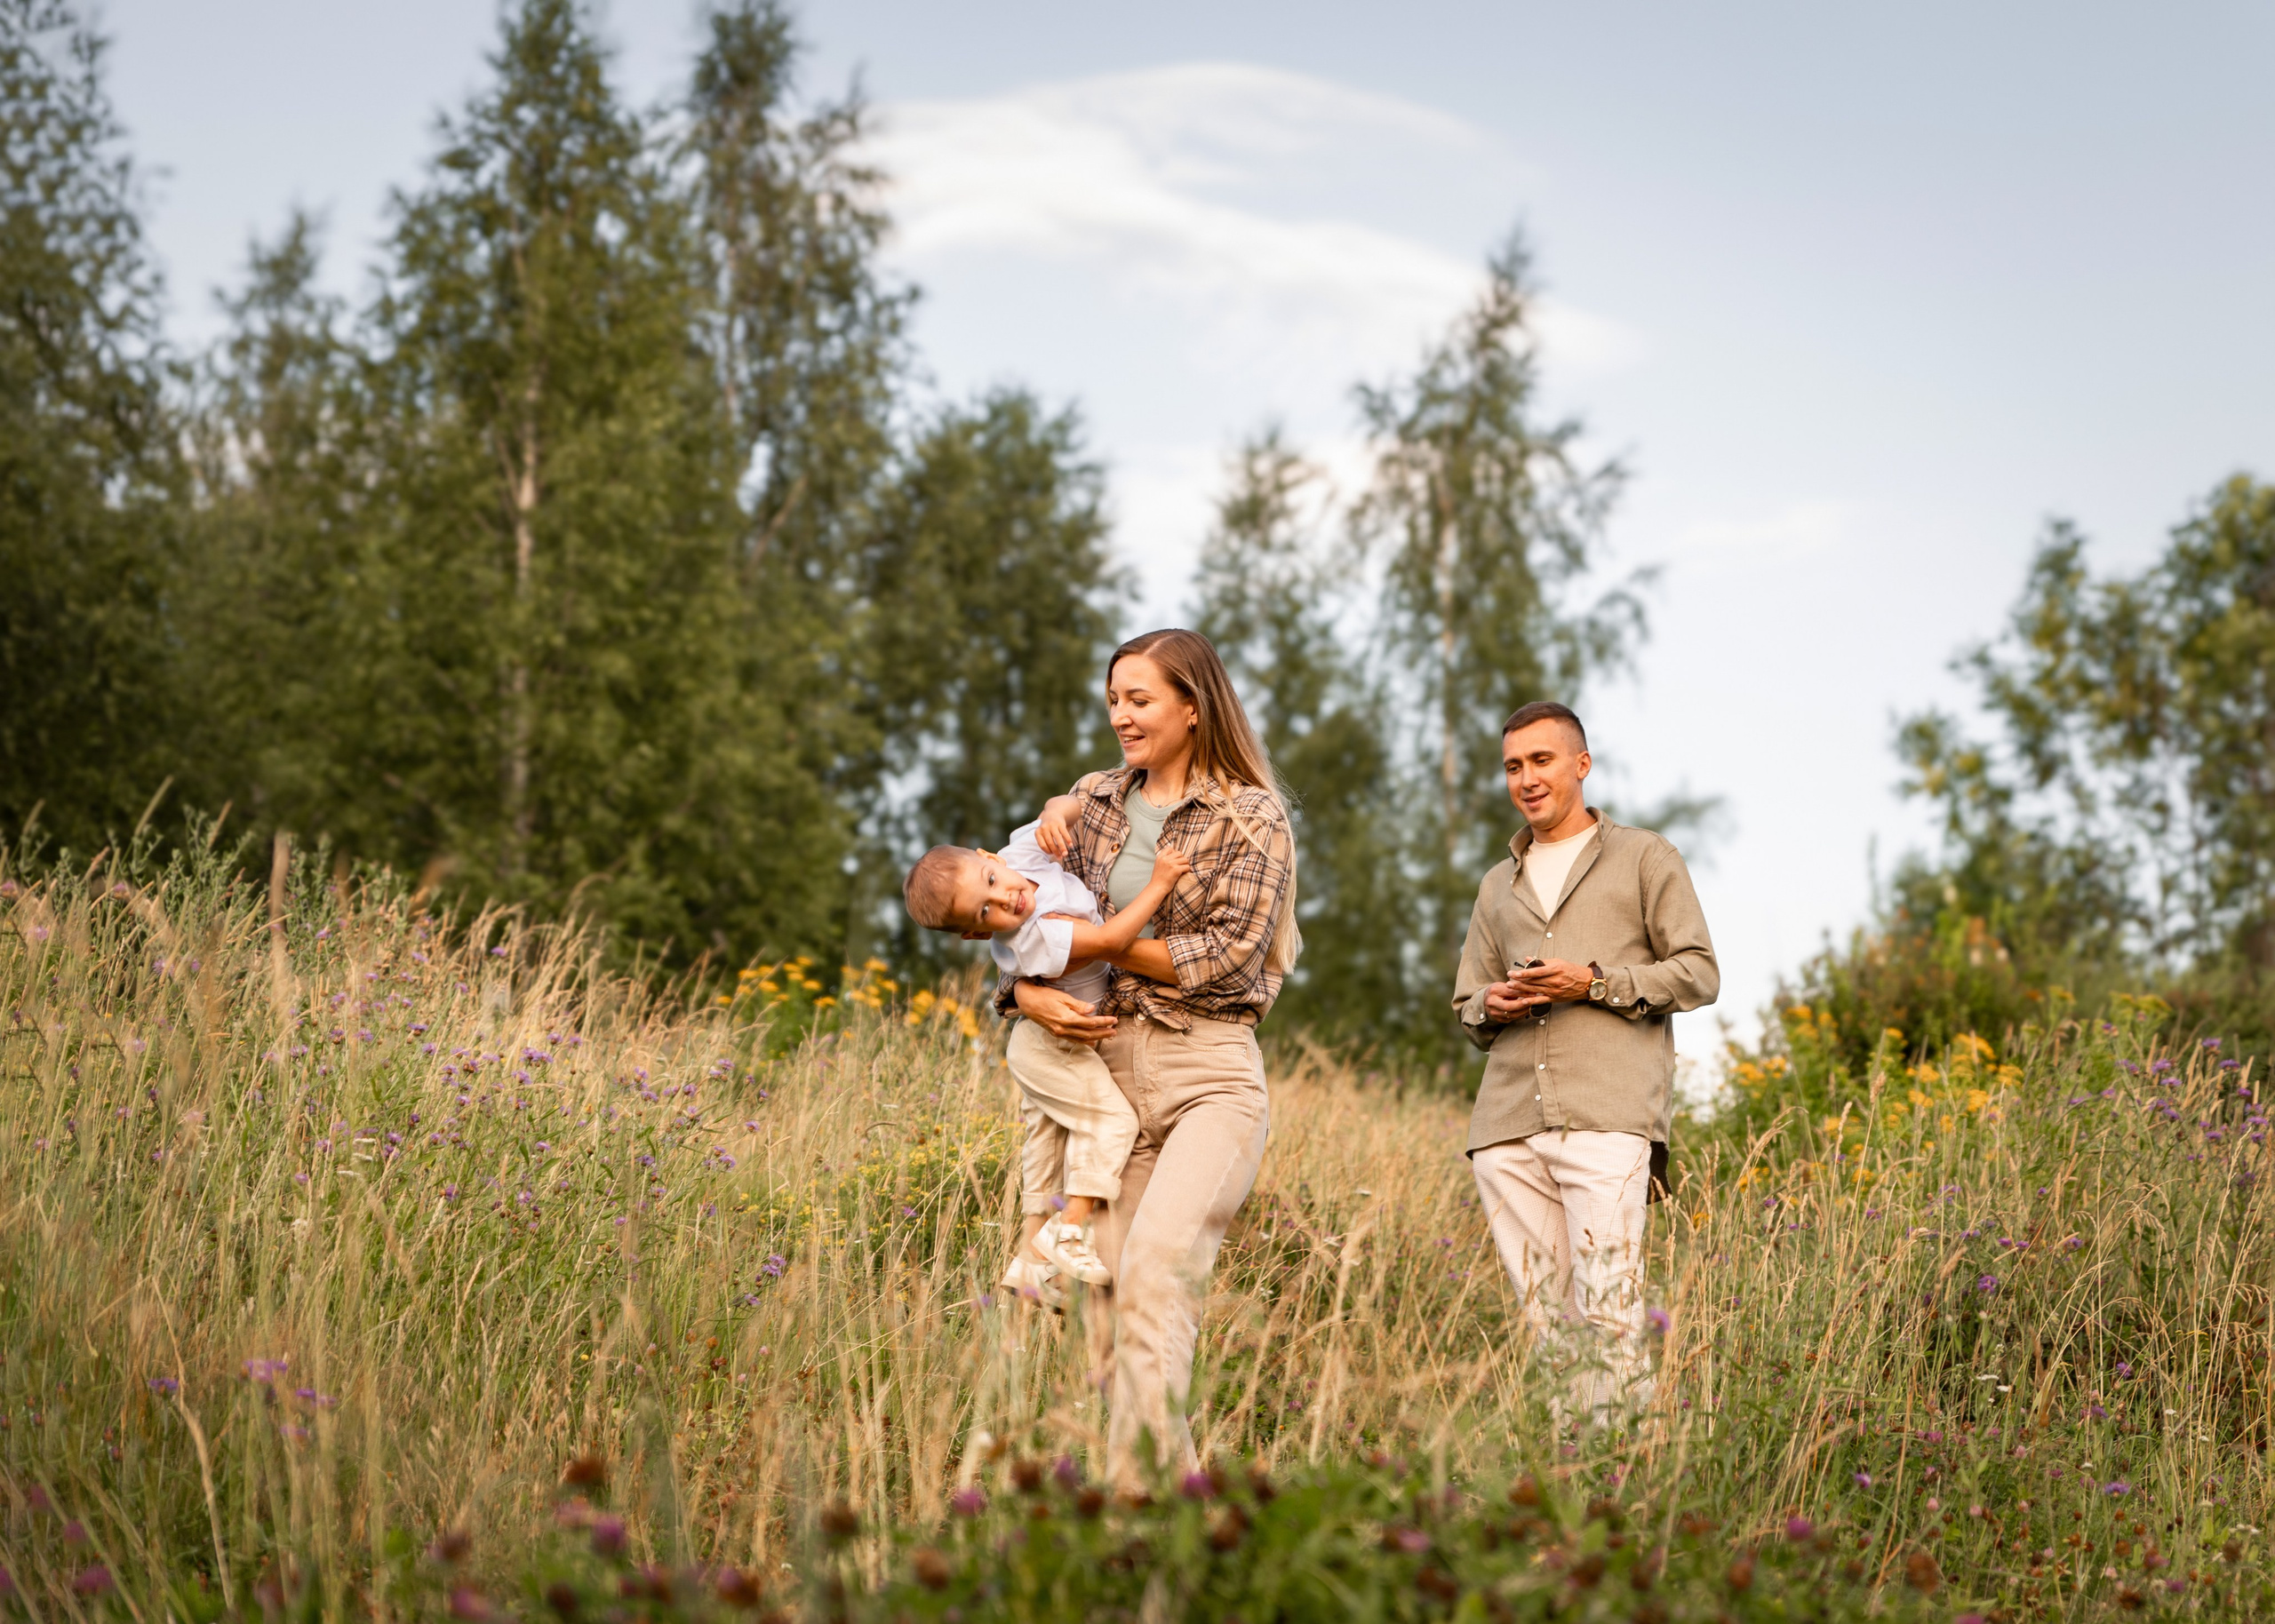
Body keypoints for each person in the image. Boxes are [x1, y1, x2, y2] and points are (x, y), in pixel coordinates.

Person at [996, 627, 1297, 1493]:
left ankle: (1152, 1504)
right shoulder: (1089, 799)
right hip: (1103, 1085)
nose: (1121, 716)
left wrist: (1094, 946)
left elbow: (1228, 958)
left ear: (1193, 707)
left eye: (1141, 699)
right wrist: (1022, 992)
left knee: (1158, 1274)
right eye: (1114, 700)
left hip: (1208, 1073)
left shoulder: (1252, 815)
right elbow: (1013, 916)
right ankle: (1156, 1507)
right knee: (1112, 1303)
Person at [1451, 699, 1718, 1426]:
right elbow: (1466, 1002)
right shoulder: (1494, 885)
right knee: (1550, 1332)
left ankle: (1625, 1487)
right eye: (1513, 766)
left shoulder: (1644, 856)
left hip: (1606, 1116)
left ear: (1581, 764)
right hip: (1505, 1127)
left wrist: (1593, 982)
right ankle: (1573, 1492)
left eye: (1541, 761)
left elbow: (1698, 973)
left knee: (1608, 1315)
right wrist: (1495, 1004)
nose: (1526, 779)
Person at [901, 817, 1192, 1294]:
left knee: (1047, 1140)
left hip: (1040, 1038)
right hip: (1050, 1044)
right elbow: (1112, 943)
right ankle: (1069, 1232)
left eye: (992, 883)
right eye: (985, 913)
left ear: (991, 857)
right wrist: (1159, 883)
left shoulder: (1020, 856)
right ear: (977, 935)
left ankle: (1031, 1260)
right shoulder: (1037, 936)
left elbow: (1064, 807)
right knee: (1114, 1123)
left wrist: (1058, 811)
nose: (1005, 900)